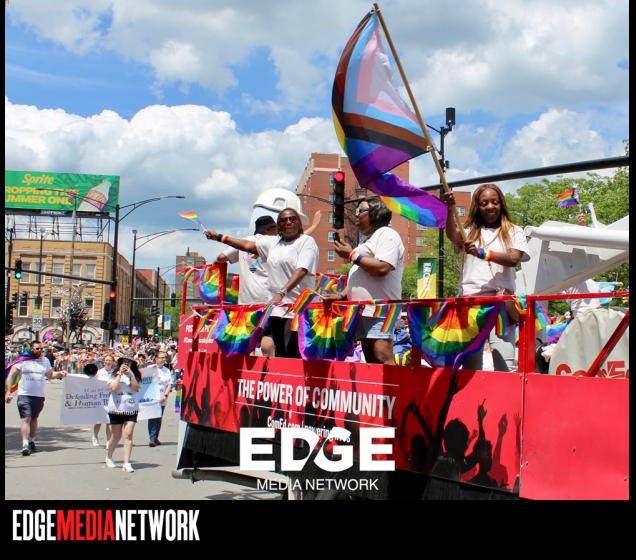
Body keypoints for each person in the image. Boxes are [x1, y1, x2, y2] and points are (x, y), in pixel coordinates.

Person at [205, 207, 319, 358]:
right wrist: (220, 237)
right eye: (283, 220)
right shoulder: (273, 242)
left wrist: (281, 293)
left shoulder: (306, 242)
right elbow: (248, 246)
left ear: (299, 222)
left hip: (298, 309)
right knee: (281, 353)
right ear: (278, 226)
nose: (288, 222)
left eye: (292, 219)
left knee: (293, 354)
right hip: (277, 309)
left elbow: (302, 270)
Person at [442, 184, 530, 372]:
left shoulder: (514, 230)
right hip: (472, 304)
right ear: (477, 207)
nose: (490, 206)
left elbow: (513, 258)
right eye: (484, 203)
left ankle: (504, 393)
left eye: (494, 202)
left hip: (501, 303)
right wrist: (450, 209)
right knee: (471, 367)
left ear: (501, 204)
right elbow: (452, 235)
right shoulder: (469, 231)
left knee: (504, 365)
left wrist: (482, 253)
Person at [332, 198, 405, 364]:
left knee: (382, 355)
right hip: (363, 310)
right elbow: (360, 272)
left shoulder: (387, 234)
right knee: (371, 359)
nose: (356, 215)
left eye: (360, 211)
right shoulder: (369, 239)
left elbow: (382, 268)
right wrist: (341, 295)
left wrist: (351, 255)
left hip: (379, 308)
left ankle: (395, 382)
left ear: (374, 213)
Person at [4, 342, 66, 455]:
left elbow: (50, 375)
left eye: (41, 349)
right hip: (24, 394)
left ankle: (31, 441)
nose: (40, 351)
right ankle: (25, 444)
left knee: (34, 418)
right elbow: (11, 375)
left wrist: (59, 373)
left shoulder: (45, 360)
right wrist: (8, 391)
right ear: (31, 349)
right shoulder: (23, 360)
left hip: (38, 395)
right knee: (26, 418)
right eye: (38, 349)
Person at [105, 357, 141, 473]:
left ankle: (126, 462)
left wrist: (131, 374)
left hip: (131, 408)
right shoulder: (113, 374)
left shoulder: (135, 375)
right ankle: (109, 456)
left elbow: (135, 388)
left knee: (128, 434)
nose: (126, 364)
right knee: (116, 436)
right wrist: (119, 374)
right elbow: (113, 388)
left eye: (128, 362)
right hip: (117, 408)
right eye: (124, 362)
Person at [147, 351, 173, 447]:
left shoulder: (167, 370)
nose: (163, 359)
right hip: (152, 397)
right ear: (156, 358)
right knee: (153, 417)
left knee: (159, 417)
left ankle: (155, 437)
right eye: (161, 357)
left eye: (164, 357)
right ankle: (152, 438)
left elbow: (169, 384)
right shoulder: (150, 368)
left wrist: (165, 395)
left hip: (162, 397)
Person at [93, 354, 115, 447]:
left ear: (113, 362)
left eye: (110, 360)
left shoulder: (115, 373)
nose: (108, 362)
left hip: (111, 399)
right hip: (100, 399)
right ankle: (95, 436)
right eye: (106, 360)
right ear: (104, 361)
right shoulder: (99, 372)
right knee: (99, 421)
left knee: (109, 421)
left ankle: (108, 441)